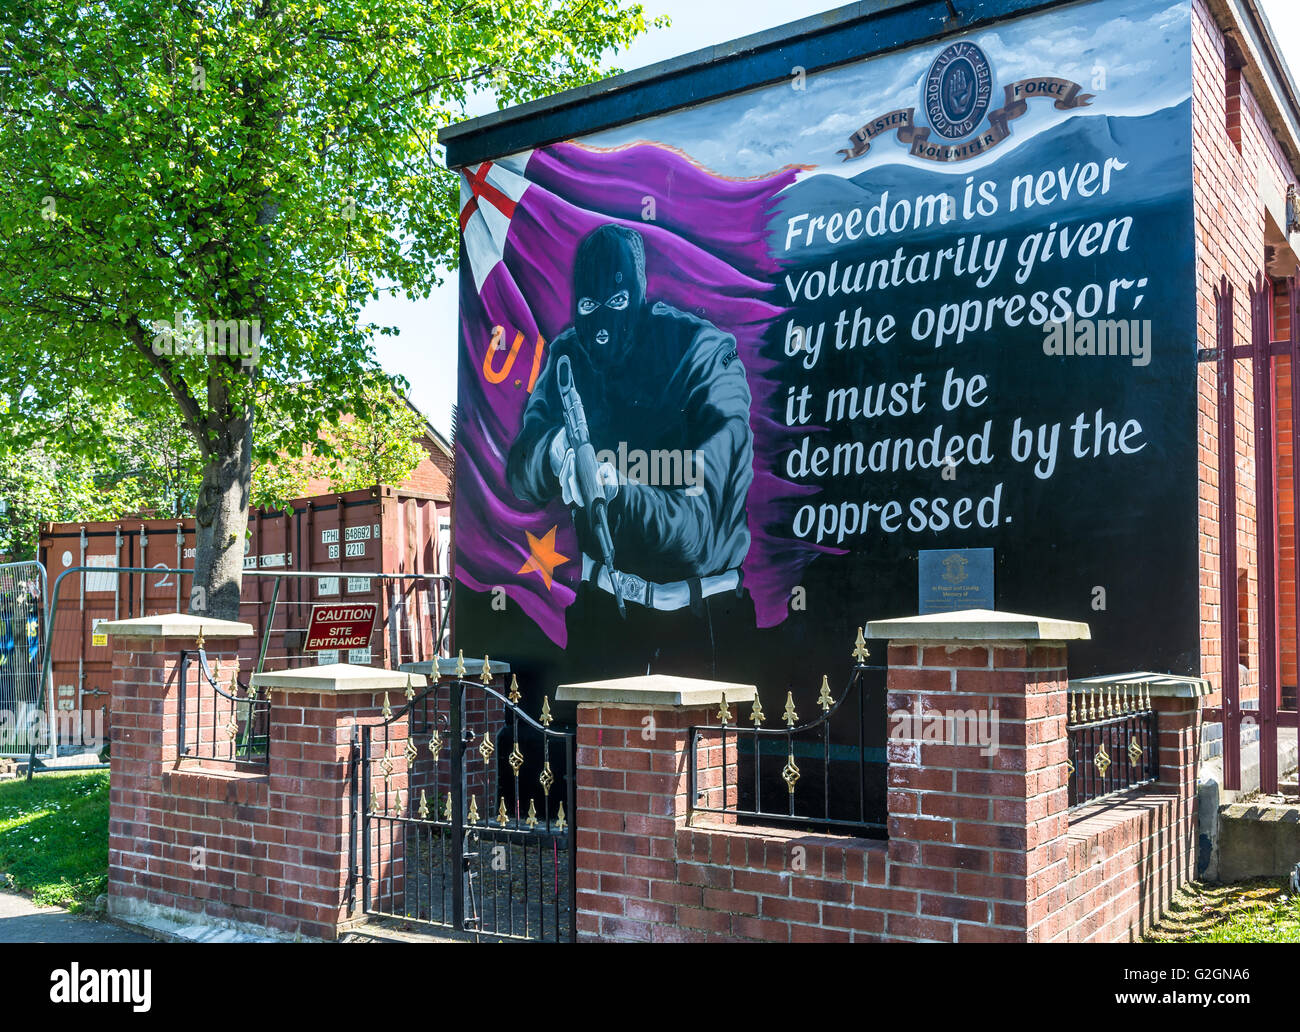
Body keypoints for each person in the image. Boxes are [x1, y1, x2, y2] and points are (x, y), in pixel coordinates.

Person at [506, 223, 755, 677]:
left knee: (707, 747)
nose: (601, 326)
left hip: (702, 618)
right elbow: (521, 468)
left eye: (617, 302)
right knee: (595, 747)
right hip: (605, 615)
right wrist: (556, 450)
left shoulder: (703, 354)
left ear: (639, 294)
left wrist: (619, 489)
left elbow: (704, 533)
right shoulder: (568, 354)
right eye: (588, 306)